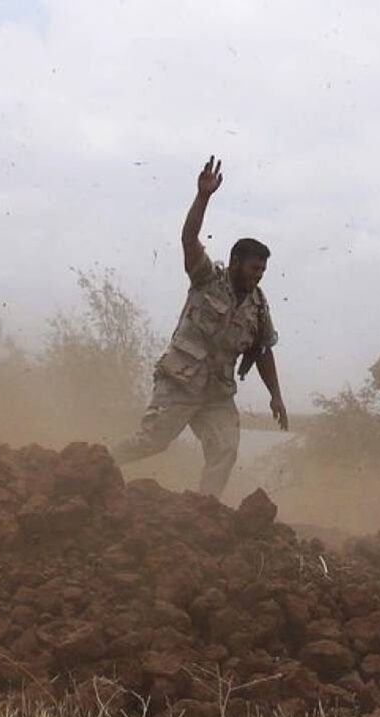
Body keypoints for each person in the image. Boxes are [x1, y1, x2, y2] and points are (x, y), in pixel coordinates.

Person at [112, 156, 288, 497]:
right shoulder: (207, 279)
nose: (258, 276)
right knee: (152, 441)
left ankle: (205, 509)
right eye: (254, 269)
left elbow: (262, 350)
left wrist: (276, 396)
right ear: (235, 262)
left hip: (215, 393)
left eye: (262, 271)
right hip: (180, 382)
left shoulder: (258, 306)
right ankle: (97, 465)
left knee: (225, 450)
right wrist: (203, 197)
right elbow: (189, 239)